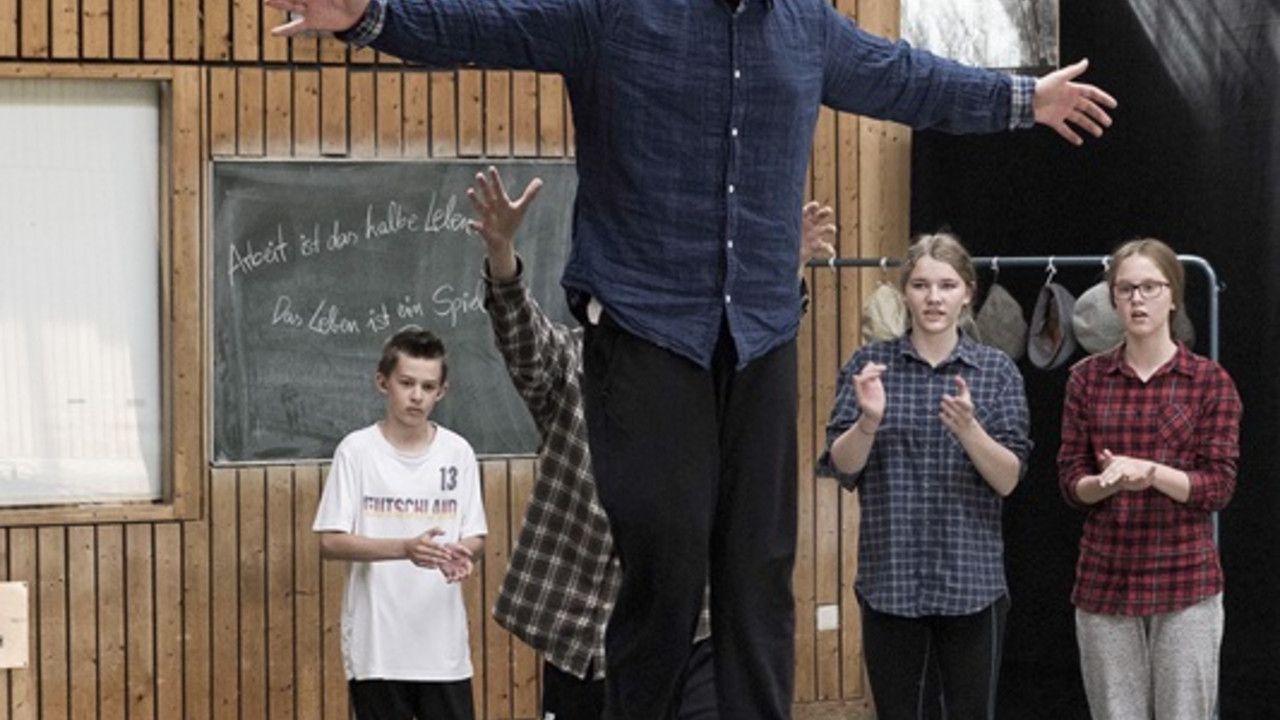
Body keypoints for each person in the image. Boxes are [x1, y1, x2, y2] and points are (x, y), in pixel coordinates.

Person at [266, 3, 1116, 717]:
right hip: (644, 325)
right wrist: (372, 15)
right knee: (667, 551)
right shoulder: (612, 13)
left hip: (757, 330)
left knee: (757, 567)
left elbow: (906, 77)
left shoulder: (805, 27)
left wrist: (1019, 99)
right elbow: (490, 21)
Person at [466, 165, 836, 720]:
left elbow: (754, 348)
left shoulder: (706, 370)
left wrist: (787, 270)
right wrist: (501, 251)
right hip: (584, 629)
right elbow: (520, 335)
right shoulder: (574, 362)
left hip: (694, 627)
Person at [818, 232, 1031, 720]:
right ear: (905, 293)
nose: (934, 297)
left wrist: (970, 429)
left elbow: (1008, 479)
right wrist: (868, 421)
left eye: (947, 285)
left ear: (967, 293)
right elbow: (843, 466)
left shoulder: (996, 372)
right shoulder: (869, 367)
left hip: (972, 584)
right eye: (920, 285)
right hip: (890, 581)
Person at [1057, 238, 1241, 720]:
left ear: (1173, 295)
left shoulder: (1209, 381)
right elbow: (1071, 480)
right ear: (1112, 299)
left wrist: (1152, 473)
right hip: (1105, 582)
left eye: (1150, 287)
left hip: (1185, 582)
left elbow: (1218, 487)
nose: (1138, 299)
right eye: (1126, 289)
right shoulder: (1086, 379)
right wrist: (1109, 482)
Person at [312, 328, 488, 720]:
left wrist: (461, 552)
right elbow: (330, 542)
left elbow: (474, 534)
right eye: (406, 383)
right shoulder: (356, 451)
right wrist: (404, 549)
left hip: (443, 649)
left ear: (442, 391)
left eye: (428, 386)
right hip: (377, 649)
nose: (416, 396)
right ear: (382, 382)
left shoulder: (458, 453)